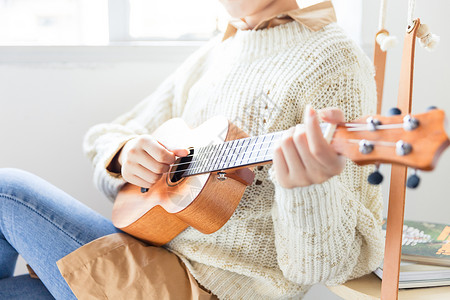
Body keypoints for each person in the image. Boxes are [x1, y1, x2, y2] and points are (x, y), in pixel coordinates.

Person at [0, 0, 384, 299]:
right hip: (148, 253)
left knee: (6, 190)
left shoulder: (334, 59)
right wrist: (125, 153)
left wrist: (309, 190)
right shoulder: (218, 52)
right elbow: (104, 134)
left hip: (200, 289)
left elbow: (329, 265)